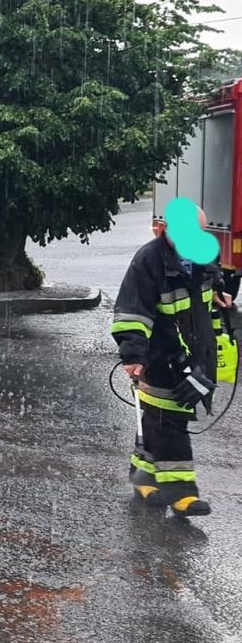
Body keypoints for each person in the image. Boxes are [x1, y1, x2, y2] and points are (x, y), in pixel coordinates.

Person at [112, 211, 235, 516]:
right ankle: (180, 493)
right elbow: (132, 309)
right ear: (165, 229)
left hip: (195, 352)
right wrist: (133, 355)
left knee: (156, 417)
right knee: (170, 419)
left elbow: (211, 280)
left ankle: (143, 476)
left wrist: (221, 293)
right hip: (161, 353)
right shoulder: (149, 261)